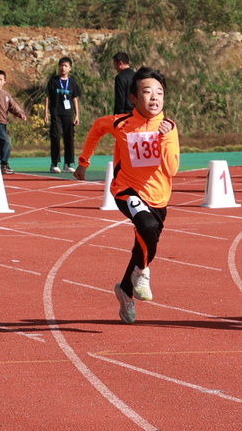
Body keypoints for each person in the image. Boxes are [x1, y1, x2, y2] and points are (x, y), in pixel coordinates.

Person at [75, 67, 179, 324]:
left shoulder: (169, 127)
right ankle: (142, 274)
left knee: (146, 244)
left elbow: (172, 170)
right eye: (147, 92)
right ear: (133, 98)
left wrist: (164, 138)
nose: (154, 97)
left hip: (158, 196)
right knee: (146, 226)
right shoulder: (121, 123)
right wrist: (84, 162)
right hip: (126, 189)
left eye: (159, 93)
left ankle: (125, 290)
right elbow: (97, 128)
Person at [0, 69, 28, 170]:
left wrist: (20, 114)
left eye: (1, 79)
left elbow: (13, 106)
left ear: (4, 81)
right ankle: (4, 163)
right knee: (6, 141)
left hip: (3, 122)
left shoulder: (6, 94)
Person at [45, 56, 81, 172]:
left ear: (70, 68)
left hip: (68, 113)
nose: (63, 68)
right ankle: (54, 163)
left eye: (65, 66)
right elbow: (48, 97)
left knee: (69, 137)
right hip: (56, 112)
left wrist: (77, 114)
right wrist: (46, 113)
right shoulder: (53, 81)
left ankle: (68, 164)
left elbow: (74, 98)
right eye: (61, 66)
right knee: (55, 136)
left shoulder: (72, 82)